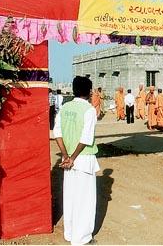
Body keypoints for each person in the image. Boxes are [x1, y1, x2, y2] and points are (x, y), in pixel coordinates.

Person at [53, 76, 99, 245]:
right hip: (83, 159)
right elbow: (86, 138)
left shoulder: (64, 108)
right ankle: (82, 238)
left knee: (71, 198)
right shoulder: (89, 110)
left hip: (68, 161)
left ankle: (70, 233)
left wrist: (65, 156)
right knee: (85, 200)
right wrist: (72, 157)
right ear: (88, 91)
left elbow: (57, 133)